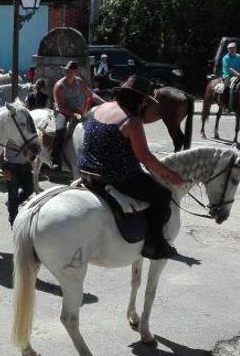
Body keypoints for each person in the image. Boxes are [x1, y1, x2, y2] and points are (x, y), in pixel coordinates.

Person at [78, 76, 185, 259]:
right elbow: (144, 157)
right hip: (116, 176)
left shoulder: (100, 108)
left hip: (86, 171)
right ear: (142, 101)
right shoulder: (131, 121)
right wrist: (170, 175)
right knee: (163, 195)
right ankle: (153, 245)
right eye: (145, 102)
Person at [51, 60, 104, 170]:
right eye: (67, 71)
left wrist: (105, 103)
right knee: (60, 130)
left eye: (71, 71)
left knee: (95, 126)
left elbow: (91, 94)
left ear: (75, 72)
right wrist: (75, 115)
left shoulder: (79, 82)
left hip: (78, 111)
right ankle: (55, 159)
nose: (69, 73)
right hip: (62, 112)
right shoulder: (59, 86)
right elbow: (61, 107)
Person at [3, 137, 34, 226]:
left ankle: (11, 204)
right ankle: (13, 220)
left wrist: (31, 159)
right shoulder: (8, 128)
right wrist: (4, 168)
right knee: (13, 193)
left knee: (29, 189)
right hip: (11, 164)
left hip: (25, 164)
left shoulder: (28, 127)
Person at [221, 42, 240, 112]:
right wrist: (237, 74)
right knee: (227, 88)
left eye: (233, 48)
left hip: (238, 75)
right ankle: (225, 105)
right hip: (228, 75)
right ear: (228, 49)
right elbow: (229, 68)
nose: (232, 50)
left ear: (236, 49)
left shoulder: (239, 56)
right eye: (230, 48)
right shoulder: (225, 58)